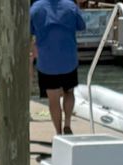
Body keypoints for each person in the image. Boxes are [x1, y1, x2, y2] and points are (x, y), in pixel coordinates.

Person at [30, 0, 84, 135]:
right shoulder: (71, 6)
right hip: (68, 60)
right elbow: (81, 25)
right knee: (69, 92)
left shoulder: (36, 8)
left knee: (53, 99)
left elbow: (29, 31)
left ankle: (58, 132)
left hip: (46, 62)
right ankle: (67, 124)